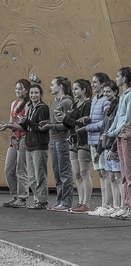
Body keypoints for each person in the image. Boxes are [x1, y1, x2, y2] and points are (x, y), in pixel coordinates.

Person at [106, 67, 131, 219]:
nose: (116, 78)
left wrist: (113, 132)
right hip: (120, 136)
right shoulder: (124, 96)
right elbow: (117, 118)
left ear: (125, 78)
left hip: (127, 136)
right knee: (124, 173)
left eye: (118, 76)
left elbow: (127, 119)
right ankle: (127, 204)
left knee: (130, 172)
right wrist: (111, 131)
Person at [56, 79, 93, 213]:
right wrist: (62, 118)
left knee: (84, 172)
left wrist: (66, 119)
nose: (74, 91)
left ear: (84, 90)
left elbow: (81, 123)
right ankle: (80, 201)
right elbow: (69, 124)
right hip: (72, 141)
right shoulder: (74, 104)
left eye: (77, 89)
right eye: (74, 89)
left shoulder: (88, 104)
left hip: (83, 141)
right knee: (77, 173)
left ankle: (86, 203)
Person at [41, 77, 74, 211]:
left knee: (64, 172)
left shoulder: (66, 102)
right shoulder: (54, 101)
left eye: (52, 85)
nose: (50, 87)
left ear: (60, 86)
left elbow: (67, 124)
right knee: (57, 172)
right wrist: (48, 124)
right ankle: (60, 200)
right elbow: (54, 122)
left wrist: (52, 125)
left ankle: (66, 202)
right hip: (53, 140)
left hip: (62, 140)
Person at [18, 84, 50, 209]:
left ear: (40, 94)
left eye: (36, 93)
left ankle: (42, 201)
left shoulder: (42, 109)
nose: (33, 95)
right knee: (31, 176)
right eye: (31, 93)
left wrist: (27, 121)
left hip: (39, 145)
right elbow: (29, 127)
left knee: (40, 175)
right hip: (30, 145)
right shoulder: (30, 108)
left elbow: (41, 128)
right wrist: (23, 123)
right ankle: (38, 200)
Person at [1, 79, 30, 208]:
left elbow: (25, 126)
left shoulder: (28, 104)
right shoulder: (14, 103)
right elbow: (11, 122)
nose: (18, 91)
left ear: (26, 90)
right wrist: (5, 125)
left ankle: (22, 198)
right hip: (14, 139)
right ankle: (14, 195)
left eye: (20, 88)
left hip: (24, 138)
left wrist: (9, 125)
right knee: (8, 169)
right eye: (16, 88)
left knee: (21, 168)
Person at [85, 73, 111, 216]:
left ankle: (108, 204)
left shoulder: (106, 100)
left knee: (106, 172)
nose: (92, 84)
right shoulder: (94, 99)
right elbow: (93, 118)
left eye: (95, 82)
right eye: (92, 82)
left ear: (103, 84)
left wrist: (88, 127)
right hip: (92, 140)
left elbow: (105, 122)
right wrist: (86, 120)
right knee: (100, 173)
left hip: (101, 139)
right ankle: (103, 203)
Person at [95, 80, 122, 217]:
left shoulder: (119, 107)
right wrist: (99, 151)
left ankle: (121, 205)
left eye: (108, 91)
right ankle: (115, 204)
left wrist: (113, 148)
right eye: (104, 91)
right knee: (112, 177)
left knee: (118, 177)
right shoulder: (107, 109)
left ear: (116, 92)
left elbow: (117, 130)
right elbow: (103, 131)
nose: (105, 94)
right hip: (106, 148)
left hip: (114, 148)